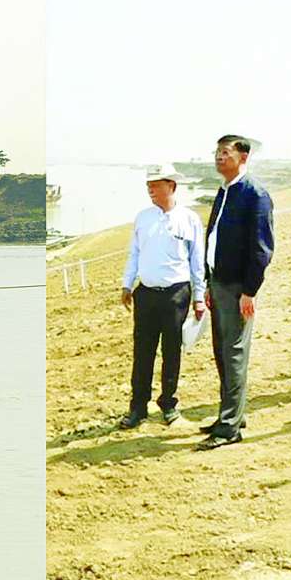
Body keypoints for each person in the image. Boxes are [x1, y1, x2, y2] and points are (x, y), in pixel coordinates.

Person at [197, 134, 274, 450]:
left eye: (225, 152)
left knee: (234, 353)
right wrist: (208, 281)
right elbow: (213, 238)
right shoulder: (224, 191)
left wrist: (249, 291)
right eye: (217, 152)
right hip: (218, 283)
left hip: (238, 288)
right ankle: (230, 416)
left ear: (244, 157)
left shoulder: (255, 194)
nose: (219, 157)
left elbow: (261, 248)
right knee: (222, 352)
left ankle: (229, 428)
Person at [117, 165, 206, 429]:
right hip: (146, 294)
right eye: (148, 185)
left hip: (176, 295)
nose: (151, 189)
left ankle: (169, 404)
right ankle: (138, 407)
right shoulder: (143, 218)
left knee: (171, 351)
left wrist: (199, 296)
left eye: (156, 184)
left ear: (172, 186)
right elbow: (134, 253)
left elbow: (197, 260)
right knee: (142, 352)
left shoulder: (189, 219)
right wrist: (126, 284)